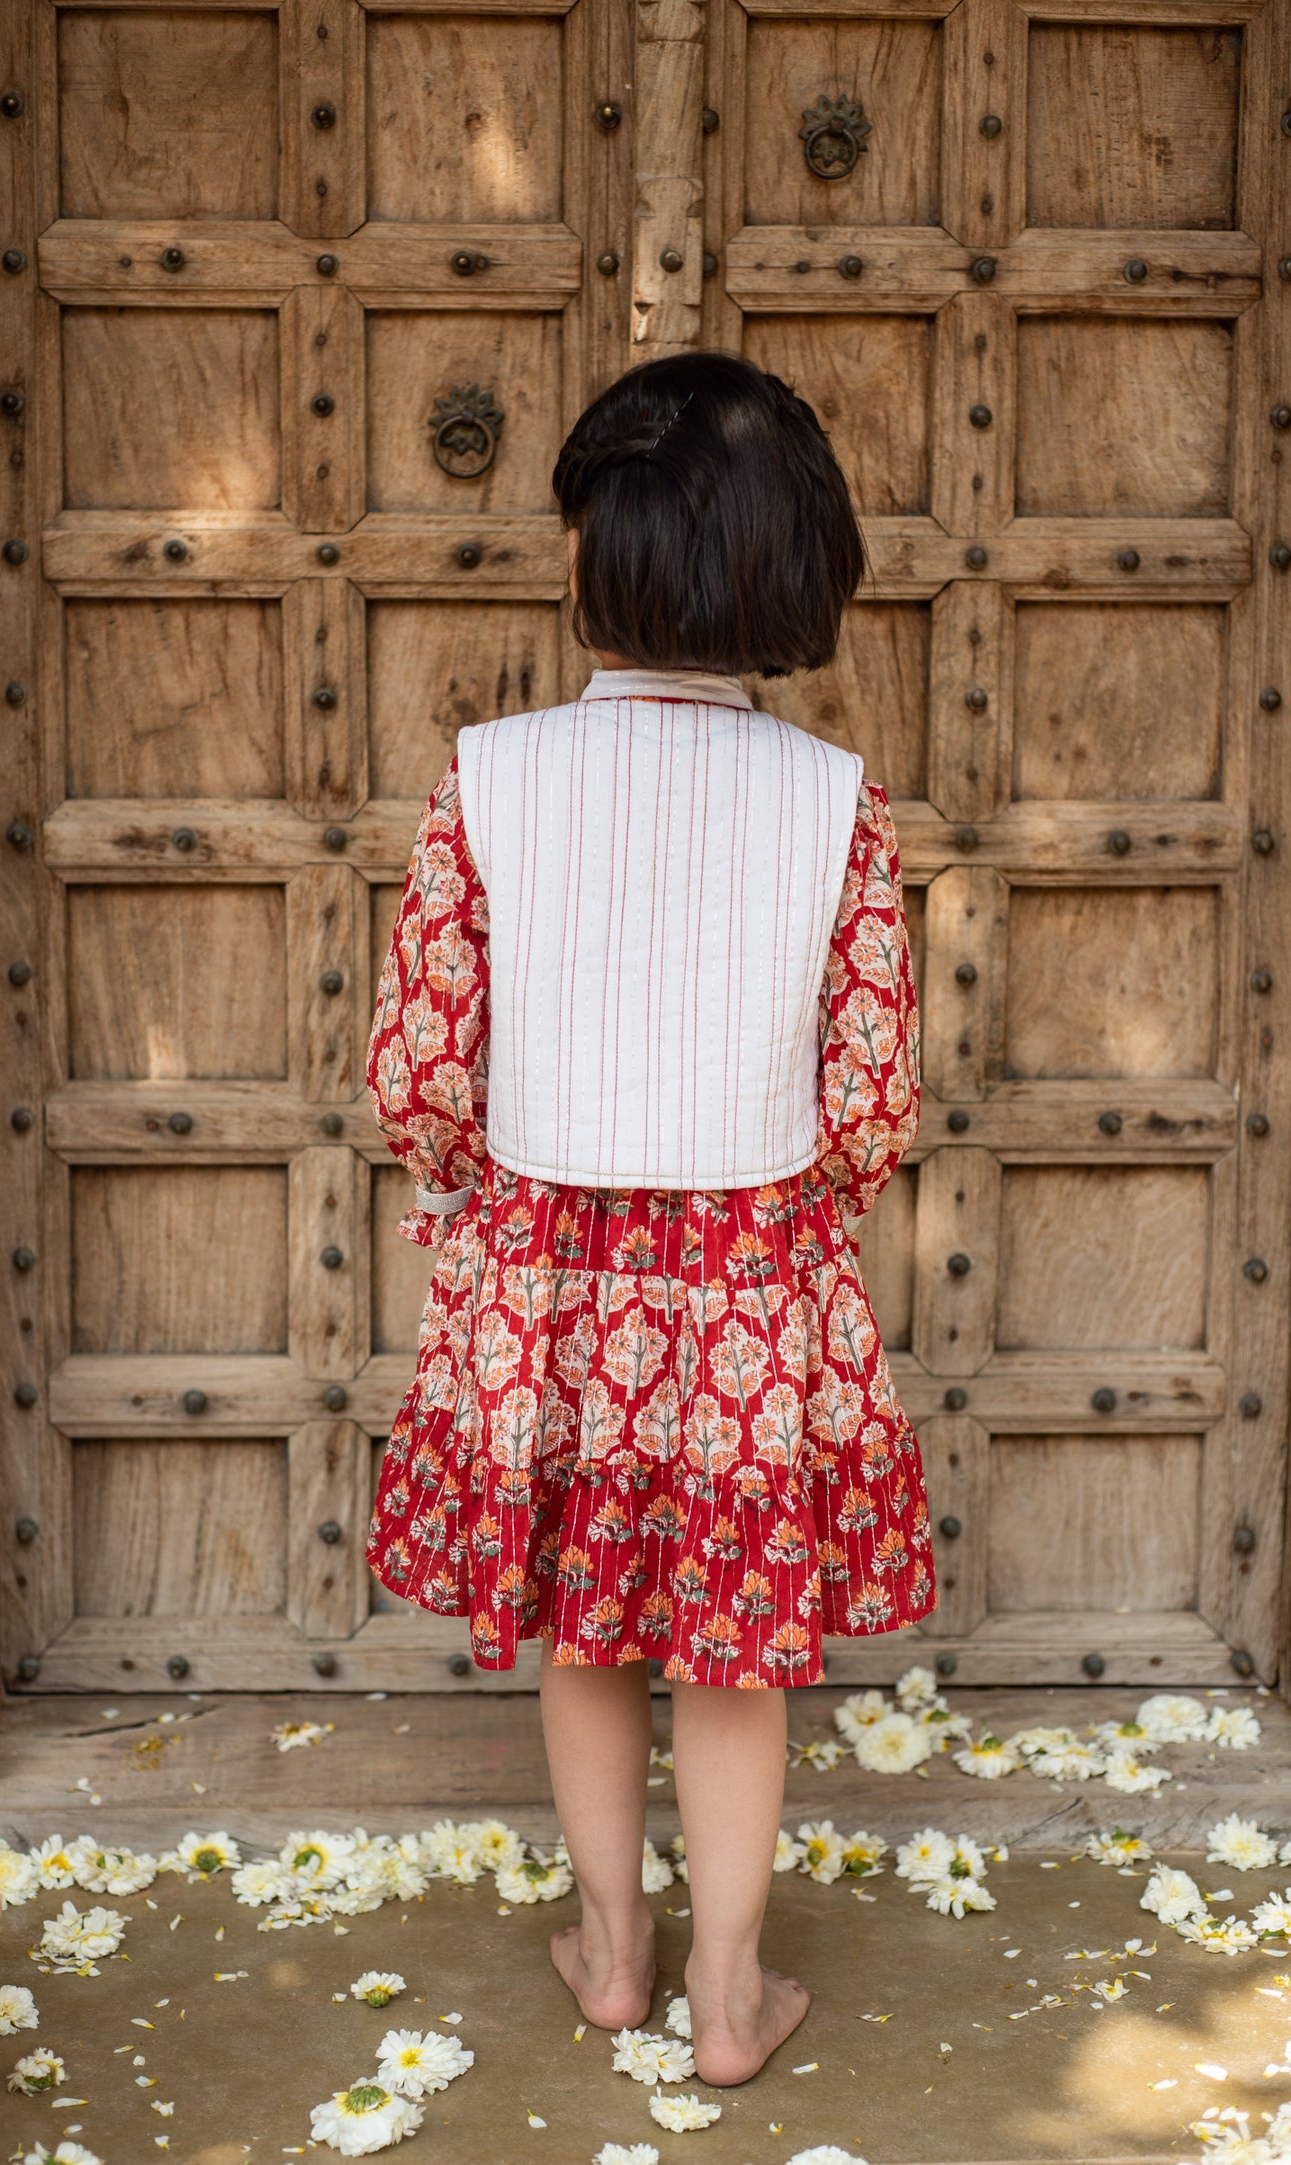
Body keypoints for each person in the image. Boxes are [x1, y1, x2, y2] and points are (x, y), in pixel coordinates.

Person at [363, 350, 934, 2087]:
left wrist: (463, 1192)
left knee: (585, 1623)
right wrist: (796, 1221)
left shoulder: (487, 775)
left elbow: (420, 1065)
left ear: (592, 554)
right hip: (751, 1279)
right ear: (784, 565)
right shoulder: (834, 799)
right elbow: (870, 1098)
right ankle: (731, 1993)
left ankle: (613, 1951)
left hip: (543, 1275)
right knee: (735, 1650)